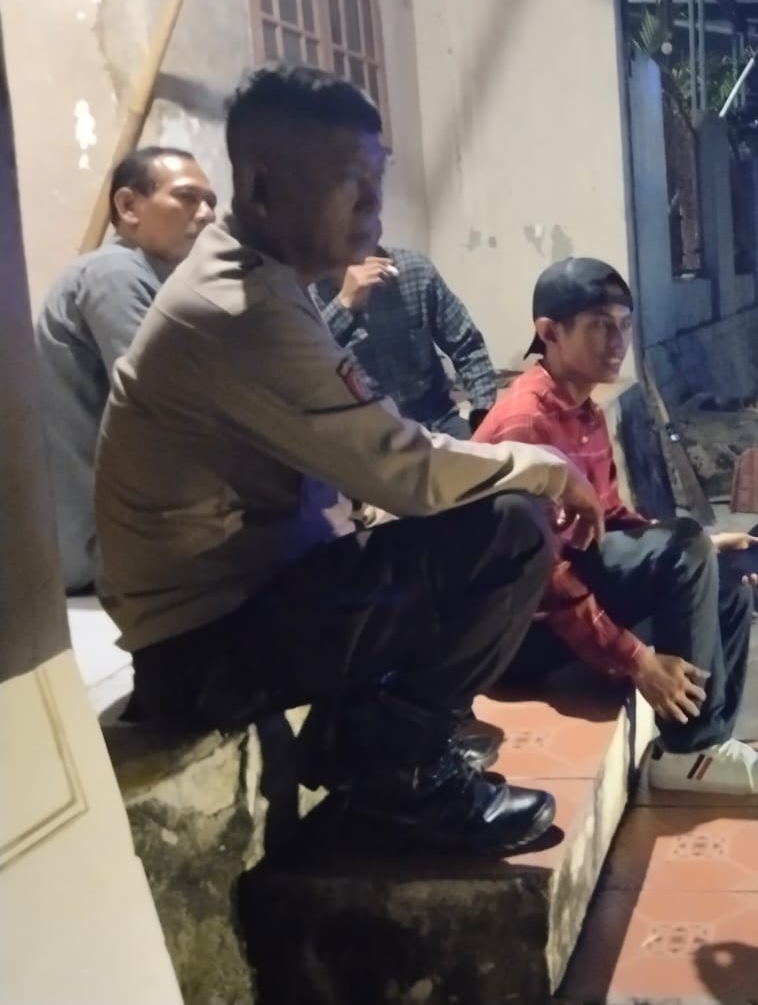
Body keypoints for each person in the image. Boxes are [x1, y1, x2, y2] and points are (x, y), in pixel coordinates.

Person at [96, 64, 606, 858]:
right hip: (203, 651)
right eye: (349, 181)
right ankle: (400, 778)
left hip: (239, 611)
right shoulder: (241, 308)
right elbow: (406, 471)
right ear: (260, 185)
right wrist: (542, 464)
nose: (374, 203)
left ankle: (372, 744)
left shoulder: (267, 281)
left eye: (378, 178)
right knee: (509, 527)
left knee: (453, 523)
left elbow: (369, 455)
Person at [475, 257, 758, 797]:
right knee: (685, 550)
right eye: (600, 326)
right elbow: (546, 577)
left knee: (723, 579)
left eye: (625, 325)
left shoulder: (584, 410)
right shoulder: (527, 422)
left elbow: (609, 519)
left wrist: (705, 549)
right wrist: (638, 659)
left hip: (558, 598)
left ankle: (711, 739)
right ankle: (691, 751)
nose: (618, 341)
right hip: (515, 633)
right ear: (549, 333)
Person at [33, 147, 217, 592]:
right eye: (187, 197)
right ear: (129, 206)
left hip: (101, 540)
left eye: (210, 201)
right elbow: (169, 407)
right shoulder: (112, 272)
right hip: (93, 546)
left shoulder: (152, 279)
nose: (207, 214)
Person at [311, 247, 499, 438]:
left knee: (491, 453)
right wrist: (344, 304)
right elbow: (306, 369)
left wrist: (483, 417)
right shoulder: (306, 291)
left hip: (436, 419)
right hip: (364, 433)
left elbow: (468, 346)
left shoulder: (415, 270)